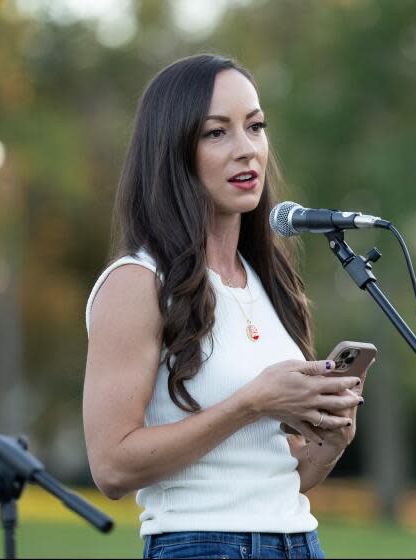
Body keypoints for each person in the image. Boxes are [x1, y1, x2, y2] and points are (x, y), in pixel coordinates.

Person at [83, 53, 364, 560]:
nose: (247, 150)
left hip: (299, 542)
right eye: (217, 133)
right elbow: (111, 468)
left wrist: (331, 440)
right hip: (201, 544)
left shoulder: (272, 281)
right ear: (174, 151)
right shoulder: (137, 282)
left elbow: (282, 477)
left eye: (255, 127)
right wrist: (251, 402)